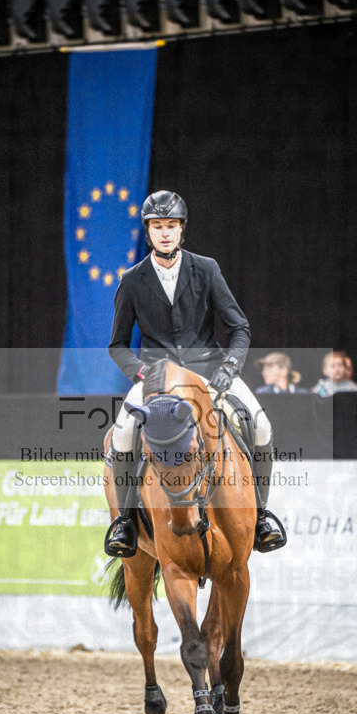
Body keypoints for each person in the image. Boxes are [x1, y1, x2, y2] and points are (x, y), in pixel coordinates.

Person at [104, 189, 285, 558]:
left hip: (209, 371)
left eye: (171, 225)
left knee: (261, 426)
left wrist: (230, 366)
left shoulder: (206, 269)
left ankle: (262, 515)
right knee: (122, 434)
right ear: (148, 231)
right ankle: (125, 521)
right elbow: (117, 344)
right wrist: (141, 373)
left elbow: (239, 327)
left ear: (181, 229)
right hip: (157, 377)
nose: (165, 232)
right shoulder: (132, 279)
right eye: (157, 226)